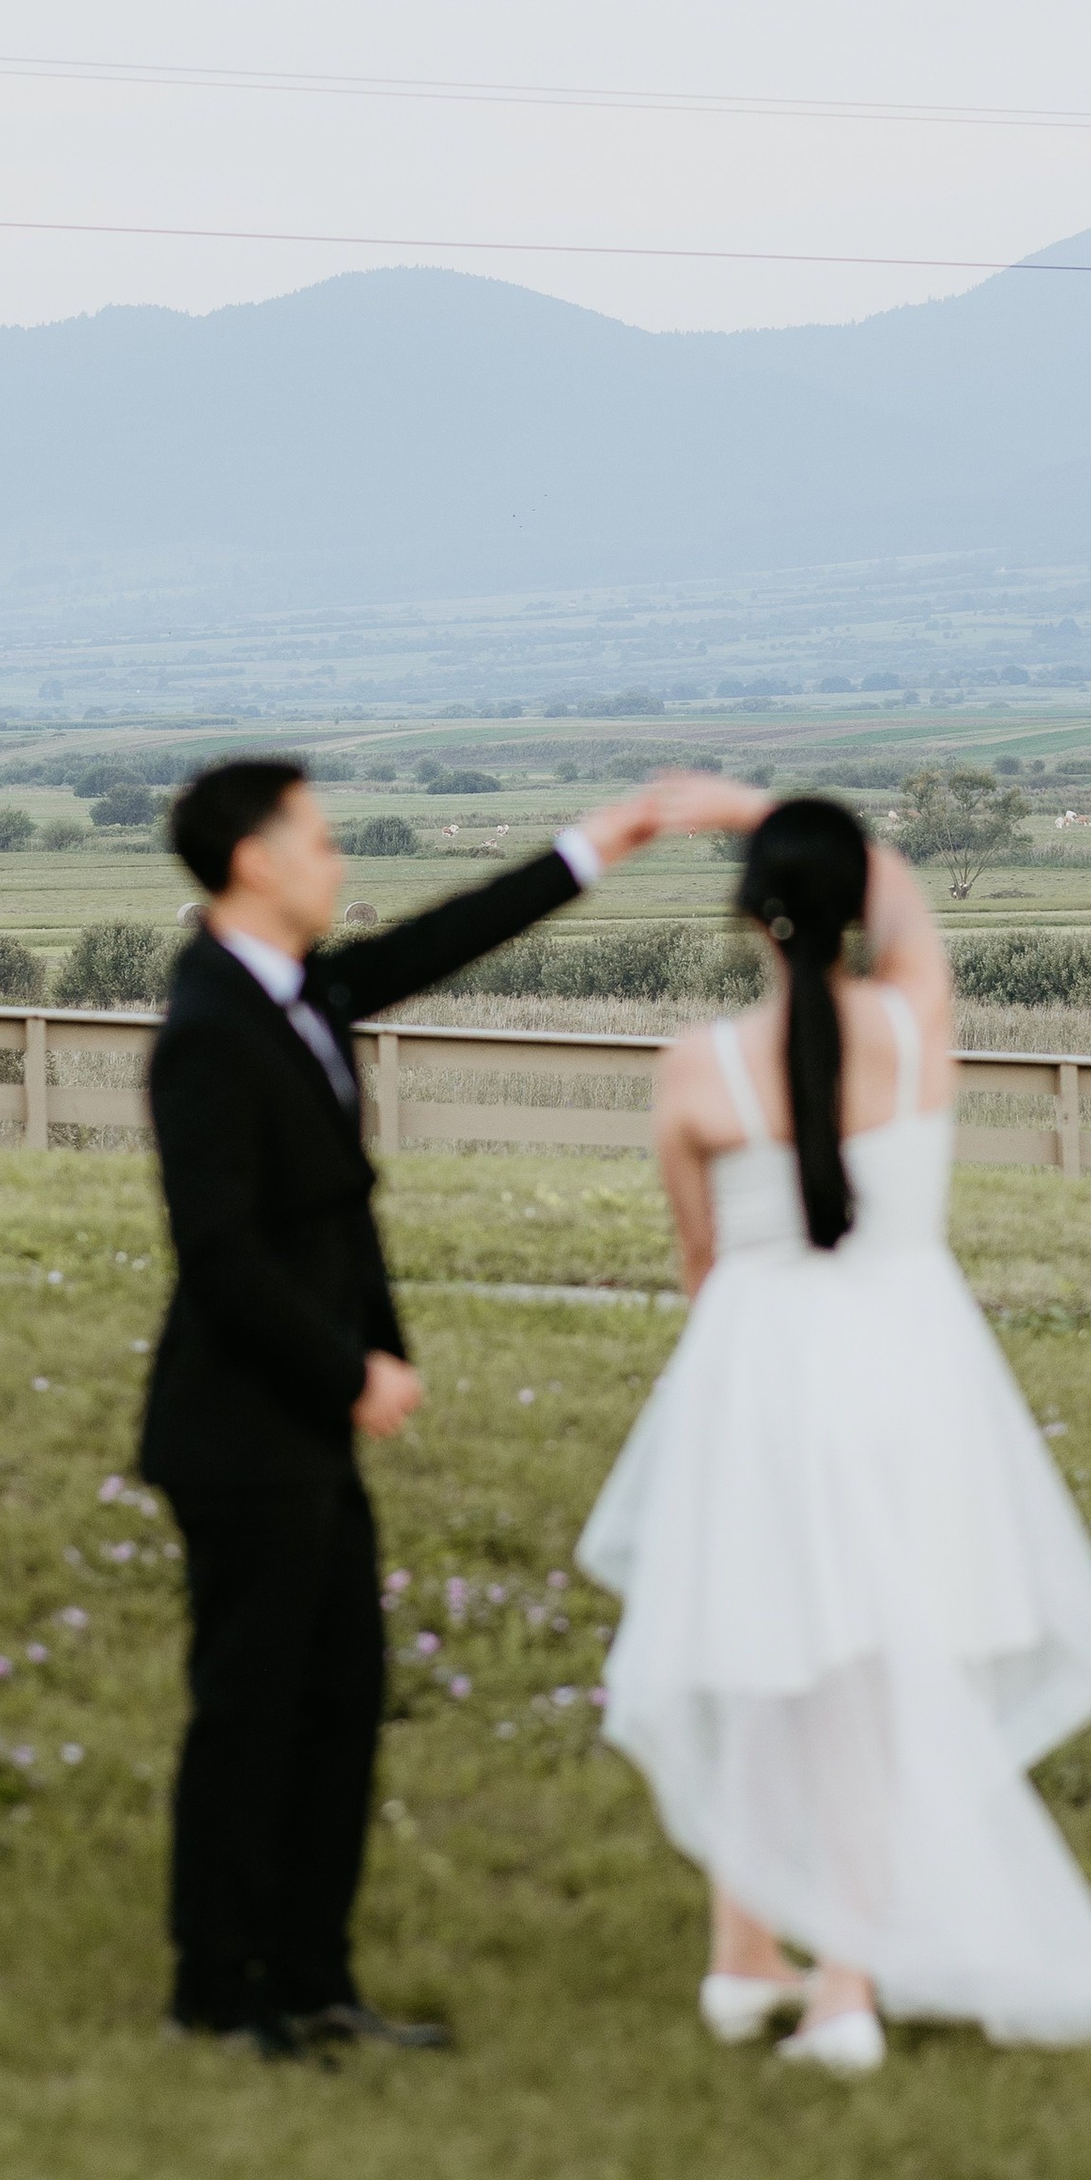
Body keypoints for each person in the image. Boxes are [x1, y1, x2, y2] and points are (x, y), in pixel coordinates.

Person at [140, 753, 736, 2060]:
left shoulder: (305, 995)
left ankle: (311, 1976)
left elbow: (448, 936)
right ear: (252, 858)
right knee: (251, 1710)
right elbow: (221, 1254)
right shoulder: (207, 1029)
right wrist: (350, 1370)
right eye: (318, 839)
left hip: (299, 1431)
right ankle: (215, 1993)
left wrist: (601, 842)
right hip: (239, 1432)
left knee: (342, 1697)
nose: (336, 860)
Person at [579, 787, 1091, 2075]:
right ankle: (838, 1985)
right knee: (878, 1681)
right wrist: (755, 807)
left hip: (758, 1377)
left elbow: (701, 1259)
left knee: (764, 1645)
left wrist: (702, 819)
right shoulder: (915, 1019)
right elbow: (902, 901)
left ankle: (744, 1956)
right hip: (907, 1373)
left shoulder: (694, 1067)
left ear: (749, 919)